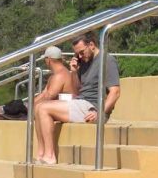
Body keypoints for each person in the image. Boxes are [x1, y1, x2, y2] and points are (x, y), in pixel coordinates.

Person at [31, 32, 120, 165]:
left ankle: (49, 156)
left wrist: (100, 113)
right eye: (77, 53)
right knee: (38, 107)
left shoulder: (107, 60)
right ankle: (41, 154)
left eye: (81, 52)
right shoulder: (84, 62)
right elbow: (78, 89)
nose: (79, 55)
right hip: (80, 101)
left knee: (43, 108)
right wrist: (74, 71)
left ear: (91, 45)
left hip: (92, 107)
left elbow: (115, 92)